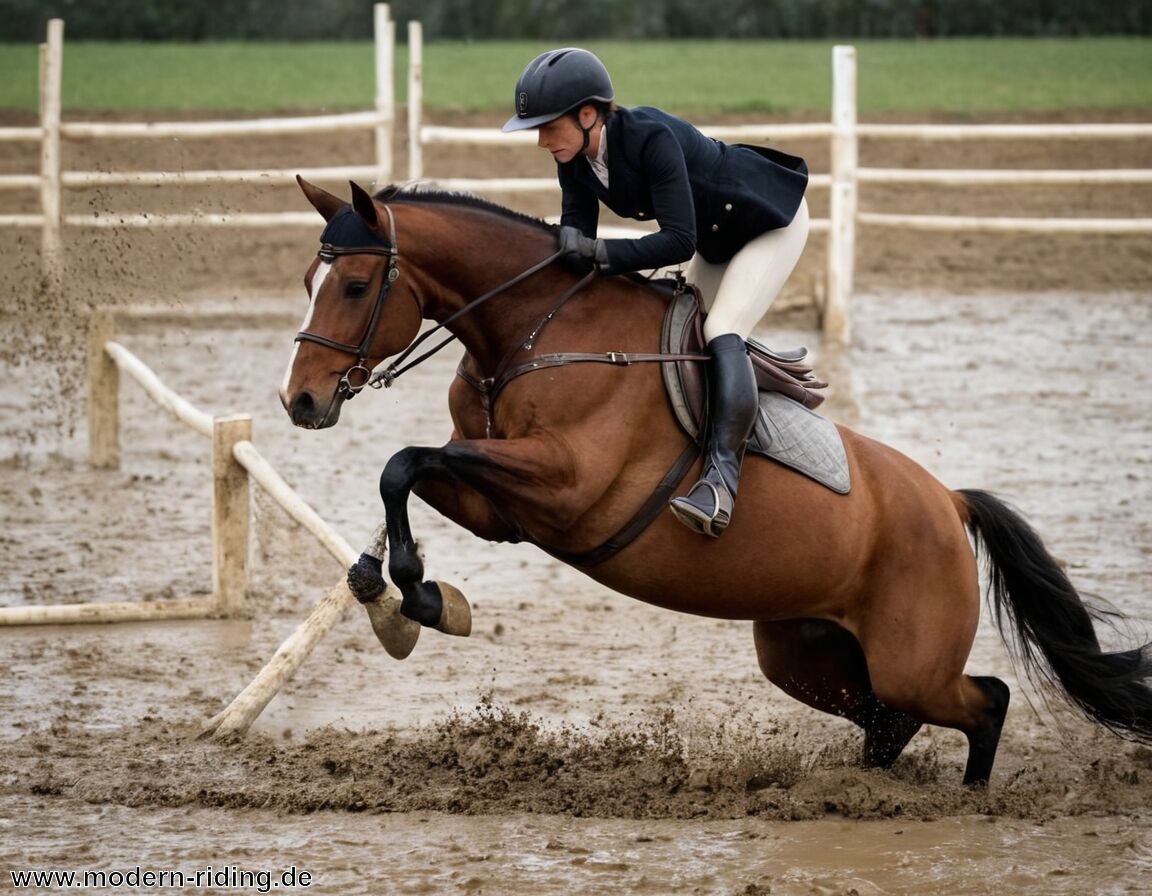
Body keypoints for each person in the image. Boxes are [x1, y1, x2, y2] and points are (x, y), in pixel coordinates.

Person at [503, 47, 810, 538]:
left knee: (720, 327)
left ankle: (721, 482)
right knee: (677, 325)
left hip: (768, 223)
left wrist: (600, 253)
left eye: (547, 126)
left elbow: (678, 240)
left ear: (588, 114)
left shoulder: (651, 137)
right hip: (716, 235)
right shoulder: (575, 159)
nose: (540, 140)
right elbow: (577, 246)